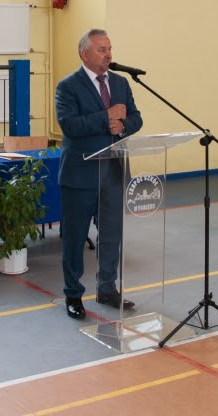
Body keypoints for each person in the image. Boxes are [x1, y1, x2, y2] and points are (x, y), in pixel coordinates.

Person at [54, 29, 143, 320]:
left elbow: (136, 118)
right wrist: (107, 118)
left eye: (109, 49)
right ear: (85, 54)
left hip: (113, 172)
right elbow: (69, 125)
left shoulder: (120, 82)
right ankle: (73, 294)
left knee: (111, 235)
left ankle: (107, 288)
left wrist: (123, 125)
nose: (108, 55)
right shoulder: (68, 86)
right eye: (102, 50)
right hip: (80, 175)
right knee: (76, 238)